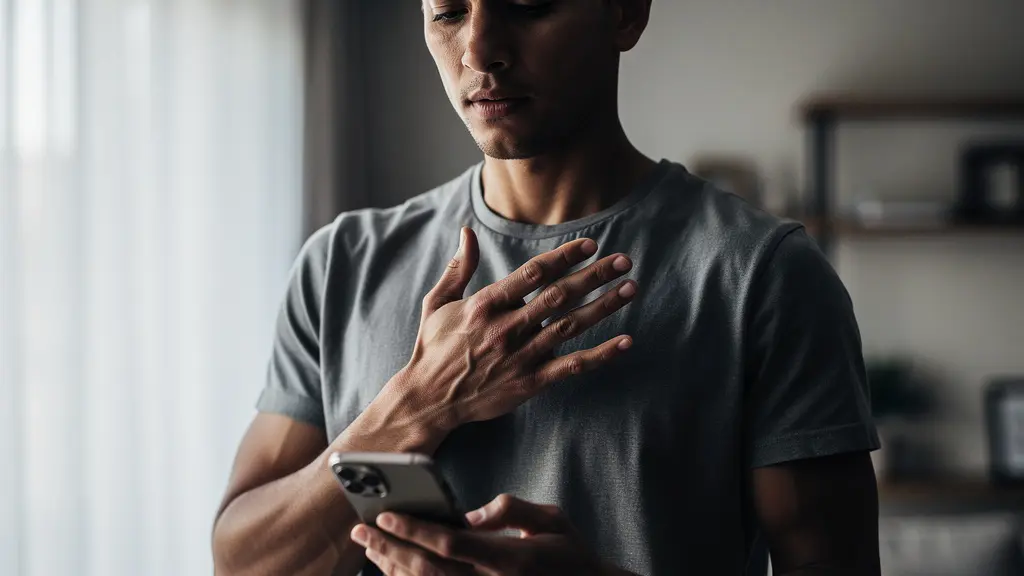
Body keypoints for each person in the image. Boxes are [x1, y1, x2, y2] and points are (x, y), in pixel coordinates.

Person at [212, 1, 882, 574]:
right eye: (448, 11)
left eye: (528, 4)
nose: (479, 47)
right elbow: (242, 560)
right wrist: (413, 410)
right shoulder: (343, 265)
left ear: (624, 11)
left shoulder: (764, 278)